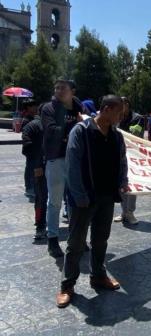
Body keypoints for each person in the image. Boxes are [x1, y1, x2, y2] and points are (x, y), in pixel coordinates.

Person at [56, 95, 128, 309]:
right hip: (84, 199)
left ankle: (98, 276)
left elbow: (122, 160)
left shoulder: (116, 136)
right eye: (118, 112)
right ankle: (67, 286)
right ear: (106, 109)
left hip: (107, 197)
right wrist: (79, 196)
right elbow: (72, 166)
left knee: (100, 240)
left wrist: (122, 181)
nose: (120, 117)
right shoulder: (81, 131)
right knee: (76, 244)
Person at [41, 79, 87, 258]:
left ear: (72, 91)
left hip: (76, 160)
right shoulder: (48, 109)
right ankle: (52, 239)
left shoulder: (79, 108)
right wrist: (75, 127)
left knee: (77, 201)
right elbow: (51, 131)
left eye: (63, 88)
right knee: (55, 202)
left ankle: (78, 238)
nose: (58, 91)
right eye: (56, 88)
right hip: (56, 159)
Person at [22, 105, 48, 240]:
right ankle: (41, 225)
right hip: (46, 166)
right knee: (44, 198)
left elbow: (26, 147)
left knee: (41, 198)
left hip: (39, 166)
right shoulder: (51, 126)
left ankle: (40, 225)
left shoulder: (31, 125)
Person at [113, 97, 141, 225]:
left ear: (128, 105)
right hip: (119, 155)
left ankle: (130, 212)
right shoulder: (116, 117)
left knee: (132, 183)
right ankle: (124, 211)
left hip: (133, 155)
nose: (121, 106)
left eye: (124, 103)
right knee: (121, 184)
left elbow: (137, 136)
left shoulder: (137, 118)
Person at [21, 99, 39, 200]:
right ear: (28, 107)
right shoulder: (27, 120)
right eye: (33, 106)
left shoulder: (32, 118)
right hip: (30, 149)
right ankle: (29, 188)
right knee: (30, 168)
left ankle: (32, 187)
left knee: (31, 168)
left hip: (34, 148)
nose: (35, 108)